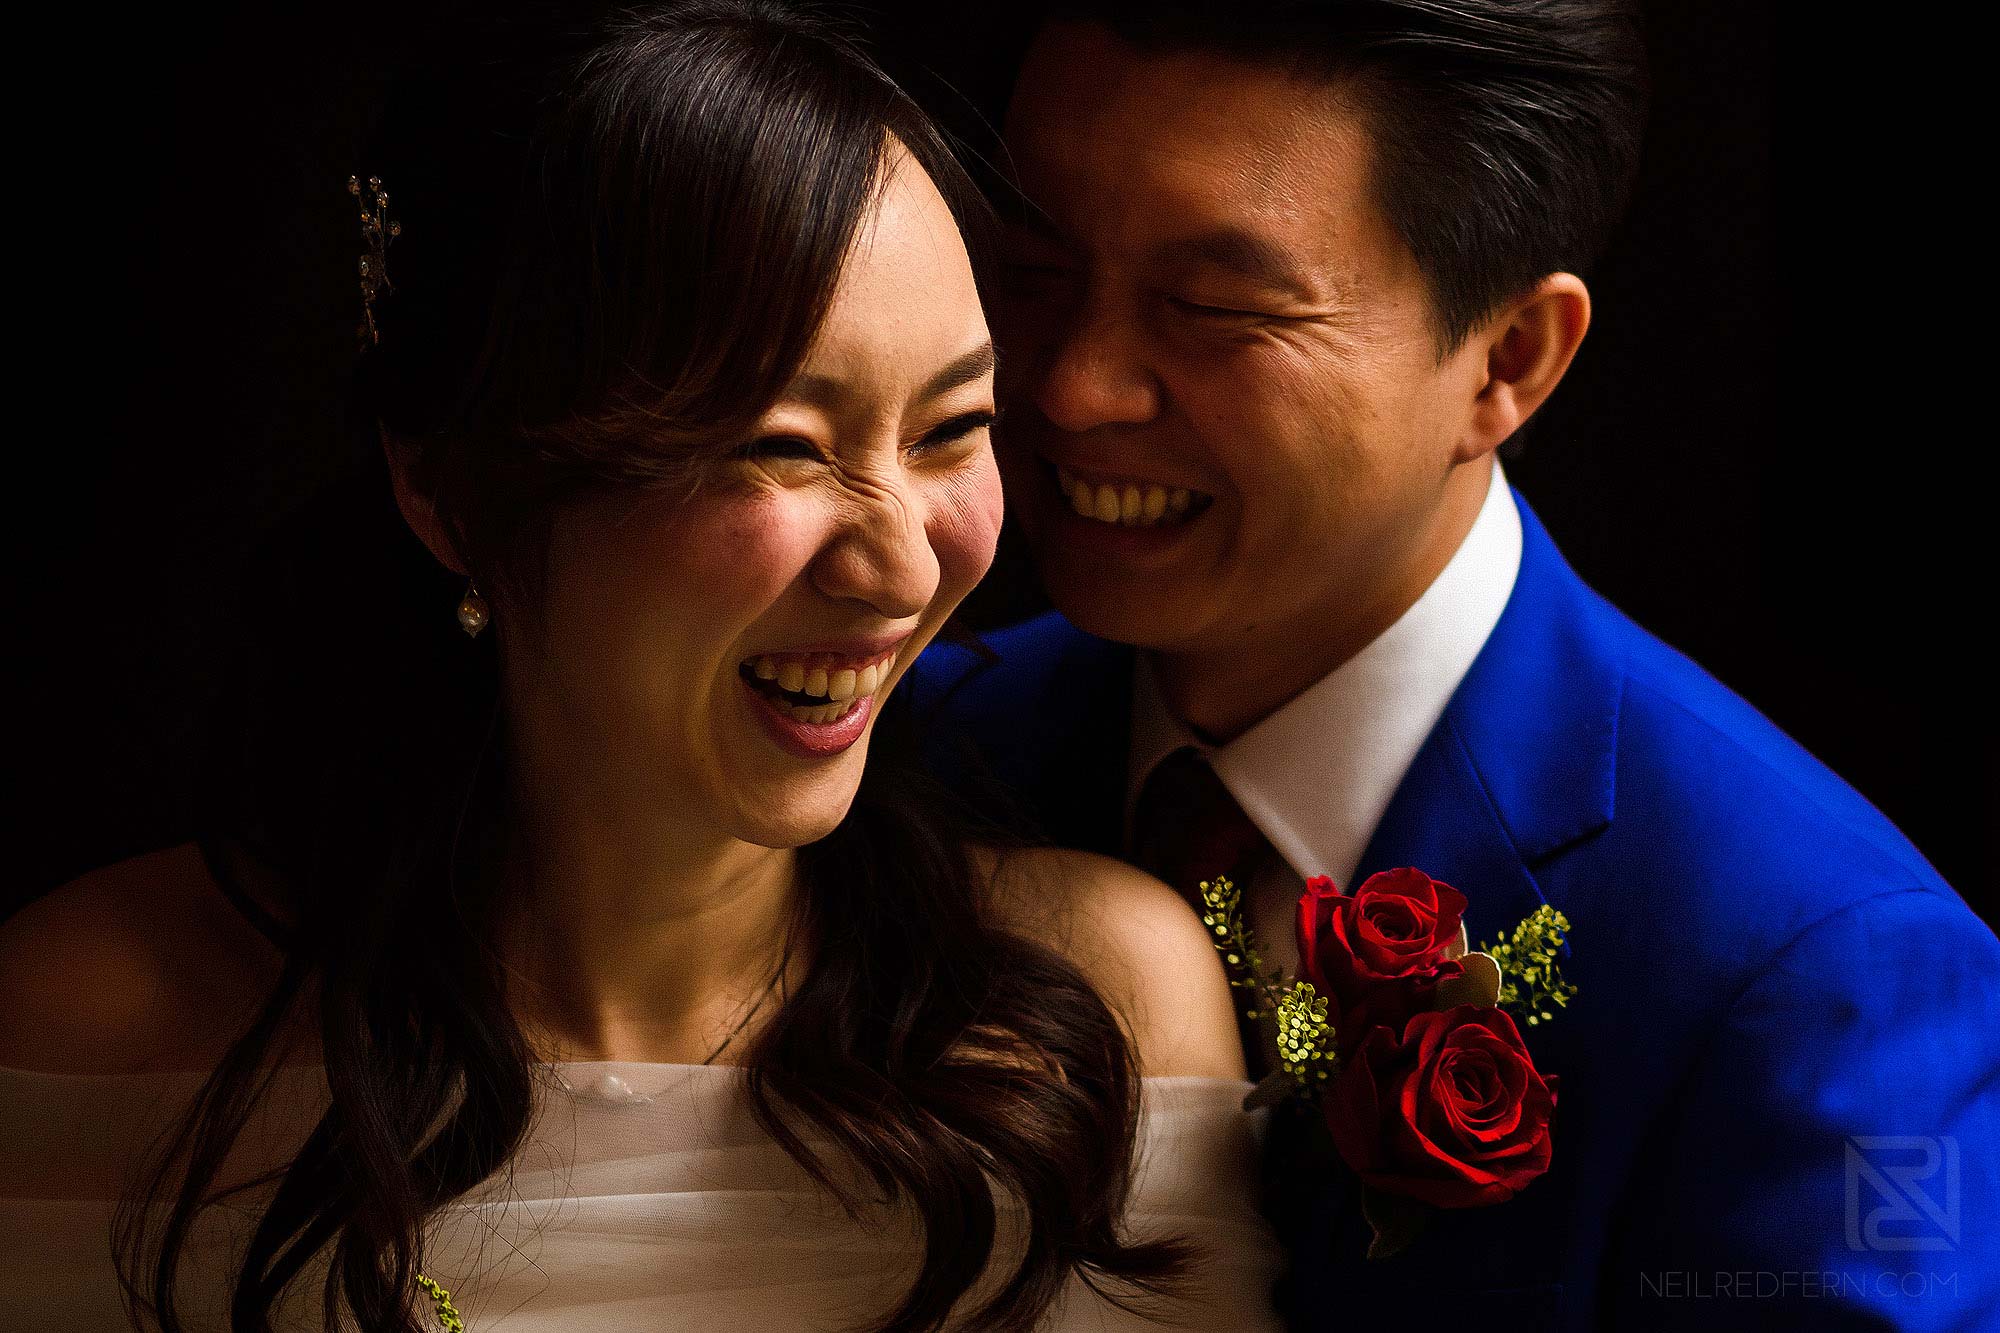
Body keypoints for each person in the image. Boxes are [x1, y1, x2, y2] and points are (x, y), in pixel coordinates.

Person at [0, 4, 1284, 1330]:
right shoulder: (89, 1031)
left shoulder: (1113, 1003)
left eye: (952, 426)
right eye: (781, 447)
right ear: (449, 488)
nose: (904, 568)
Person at [911, 3, 2000, 1330]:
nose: (1073, 387)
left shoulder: (1818, 975)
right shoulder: (911, 754)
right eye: (1031, 268)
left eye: (1211, 307)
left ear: (1509, 360)